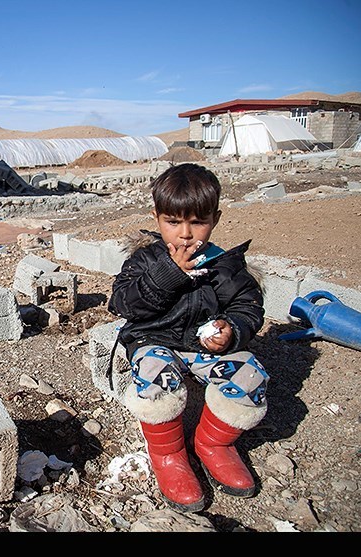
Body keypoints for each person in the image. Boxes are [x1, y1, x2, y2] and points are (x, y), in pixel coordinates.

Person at [108, 162, 269, 512]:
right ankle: (168, 454)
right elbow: (121, 302)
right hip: (155, 340)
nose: (185, 234)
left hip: (202, 349)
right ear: (157, 218)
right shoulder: (146, 259)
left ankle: (214, 445)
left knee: (250, 374)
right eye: (173, 222)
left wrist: (231, 331)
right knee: (154, 376)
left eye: (197, 222)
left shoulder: (225, 265)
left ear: (216, 218)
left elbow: (248, 307)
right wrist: (169, 275)